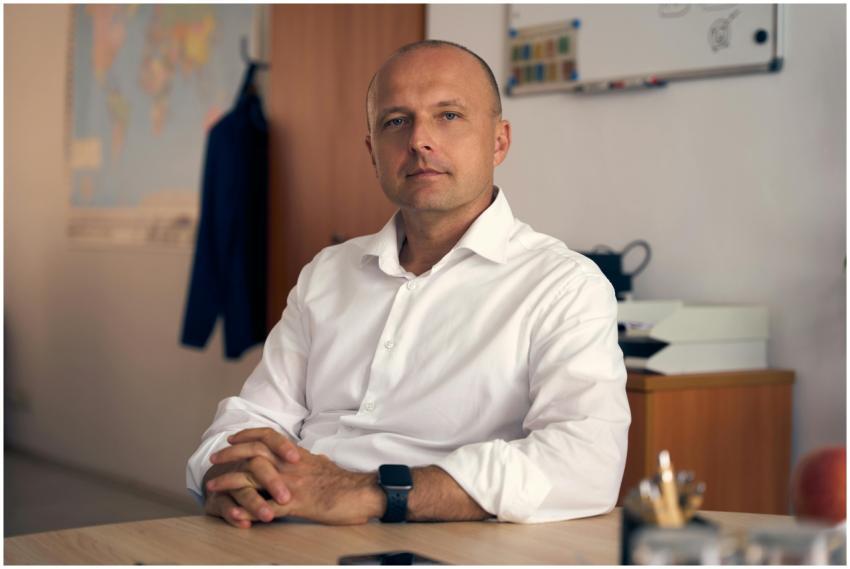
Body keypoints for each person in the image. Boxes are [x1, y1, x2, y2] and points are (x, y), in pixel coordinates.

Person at [187, 40, 630, 528]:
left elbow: (585, 464)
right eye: (396, 121)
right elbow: (251, 419)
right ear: (371, 150)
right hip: (284, 527)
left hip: (439, 544)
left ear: (499, 141)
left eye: (449, 116)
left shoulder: (564, 286)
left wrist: (373, 494)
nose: (420, 140)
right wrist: (229, 476)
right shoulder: (327, 273)